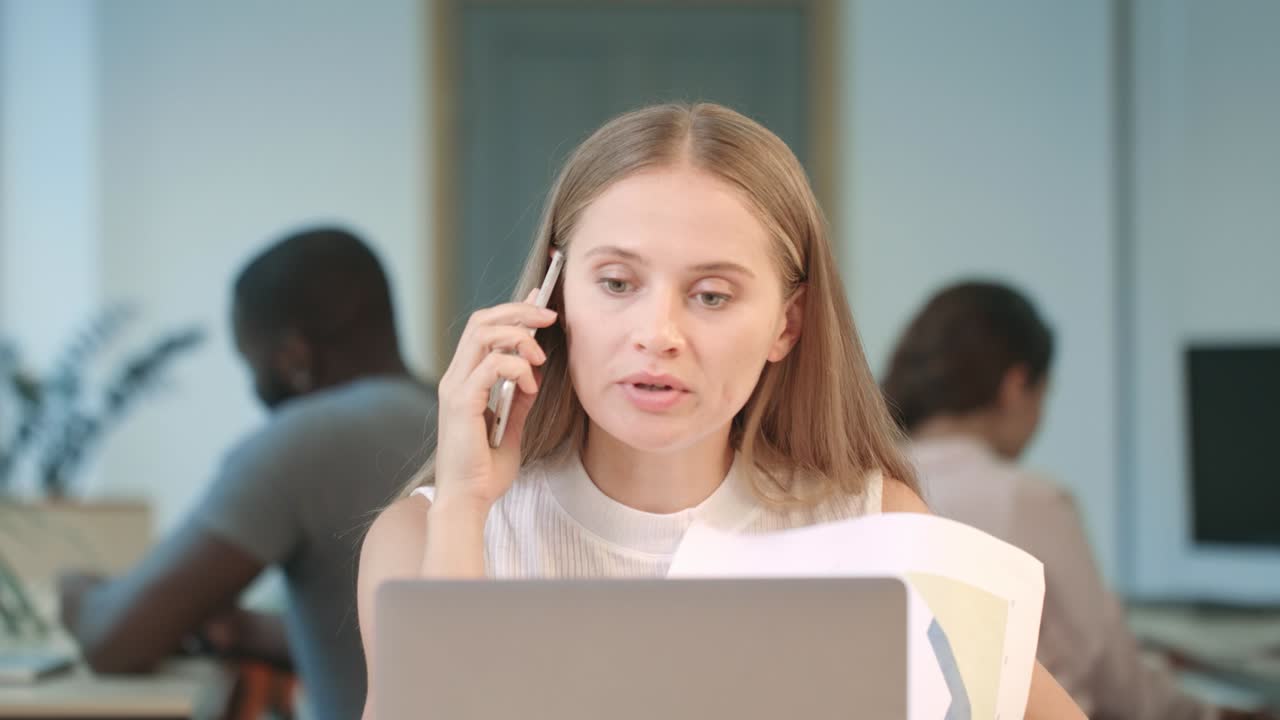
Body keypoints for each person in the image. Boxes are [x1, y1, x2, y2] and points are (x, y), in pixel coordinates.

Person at [357, 104, 1084, 718]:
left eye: (711, 295)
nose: (658, 334)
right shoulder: (426, 536)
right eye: (616, 282)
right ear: (555, 293)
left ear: (786, 326)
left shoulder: (877, 529)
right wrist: (463, 508)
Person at [58, 227, 436, 720]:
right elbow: (383, 639)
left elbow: (114, 641)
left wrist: (74, 591)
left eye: (251, 366)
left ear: (294, 358)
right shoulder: (456, 416)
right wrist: (243, 631)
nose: (253, 389)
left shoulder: (309, 437)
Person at [882, 280, 1269, 720]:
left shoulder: (861, 486)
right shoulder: (1026, 499)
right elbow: (1118, 681)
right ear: (1016, 385)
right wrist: (1216, 714)